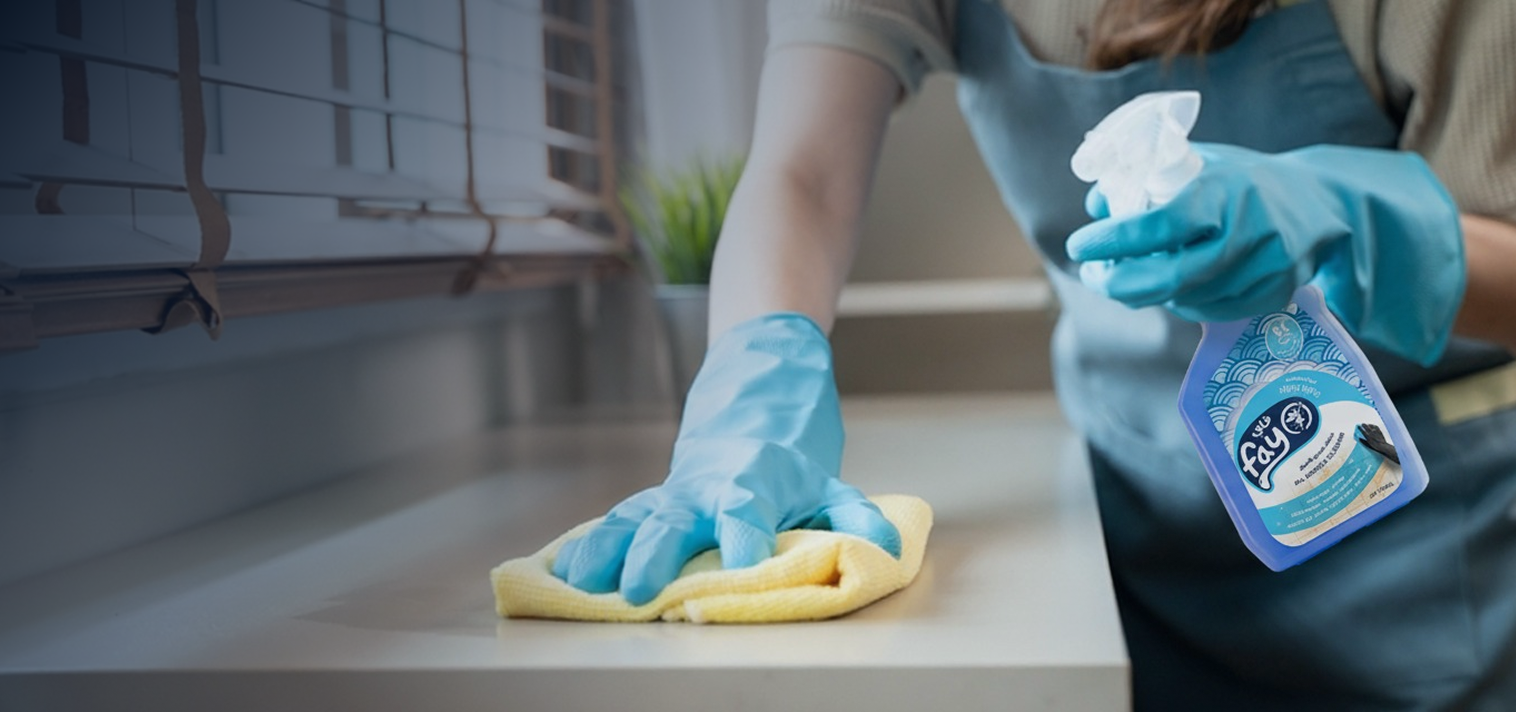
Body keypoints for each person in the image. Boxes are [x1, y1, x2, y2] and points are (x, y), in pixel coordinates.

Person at [554, 0, 1516, 707]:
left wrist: (1355, 223)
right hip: (1140, 537)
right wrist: (752, 382)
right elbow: (800, 169)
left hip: (1434, 556)